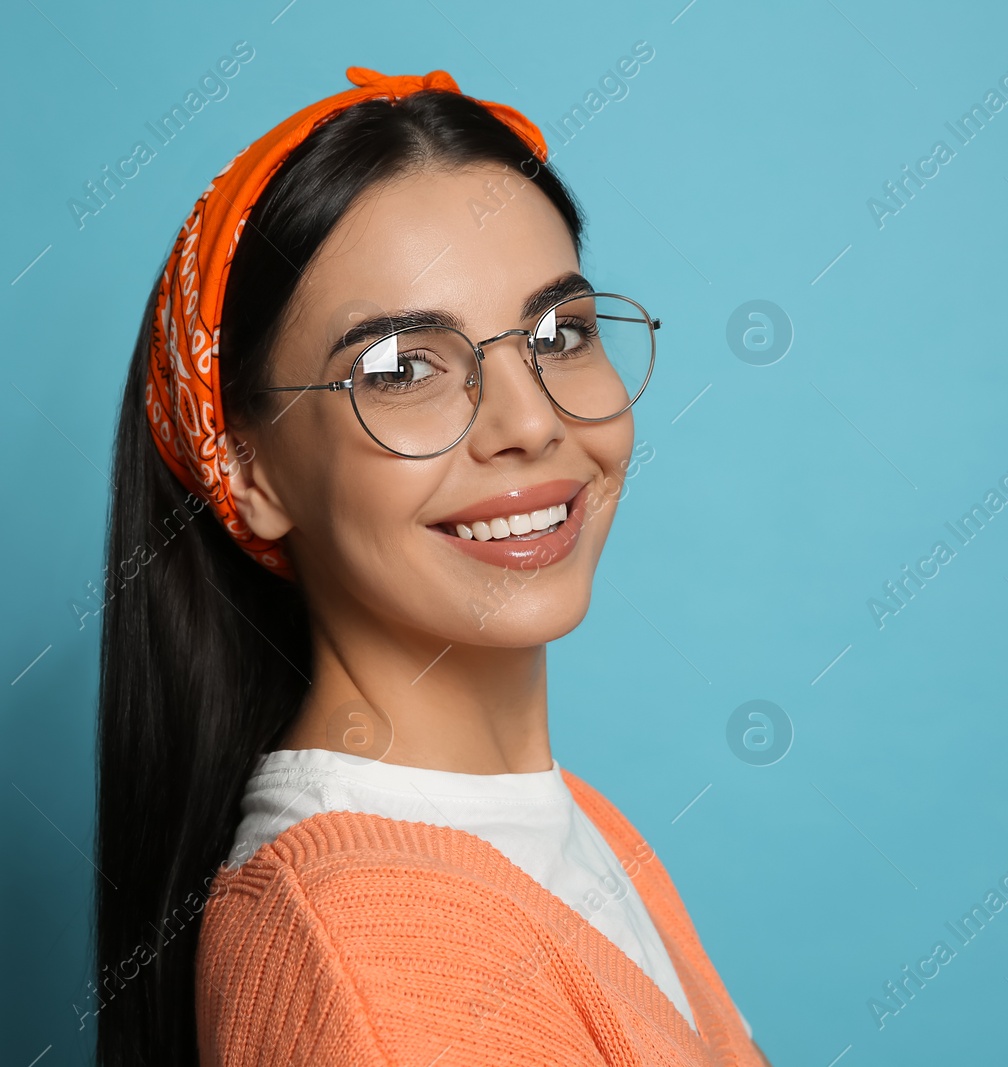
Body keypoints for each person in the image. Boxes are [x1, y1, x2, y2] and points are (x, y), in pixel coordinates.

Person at [93, 66, 770, 1066]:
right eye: (402, 367)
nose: (531, 420)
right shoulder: (373, 958)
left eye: (559, 333)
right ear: (249, 468)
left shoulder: (581, 829)